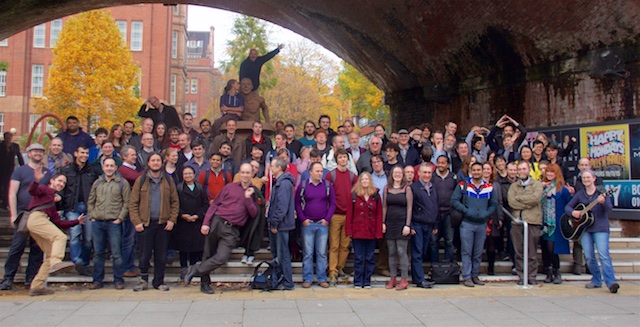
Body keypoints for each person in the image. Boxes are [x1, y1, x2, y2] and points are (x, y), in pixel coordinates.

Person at [184, 163, 259, 294]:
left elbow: (254, 213)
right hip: (217, 222)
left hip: (232, 230)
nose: (245, 175)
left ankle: (195, 269)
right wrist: (206, 223)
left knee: (221, 257)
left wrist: (247, 198)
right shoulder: (229, 187)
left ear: (252, 174)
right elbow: (214, 205)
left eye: (248, 173)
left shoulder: (253, 192)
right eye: (243, 172)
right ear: (239, 174)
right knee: (207, 255)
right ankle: (205, 284)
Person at [26, 169, 86, 296]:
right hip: (36, 218)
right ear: (52, 181)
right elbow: (32, 190)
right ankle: (56, 263)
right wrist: (36, 180)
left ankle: (37, 286)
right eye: (59, 181)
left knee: (49, 254)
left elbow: (59, 222)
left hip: (39, 221)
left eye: (63, 183)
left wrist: (76, 221)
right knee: (60, 237)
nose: (61, 184)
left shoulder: (52, 203)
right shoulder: (44, 189)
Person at [0, 144, 50, 291]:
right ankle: (8, 278)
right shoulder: (20, 171)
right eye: (35, 151)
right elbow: (12, 193)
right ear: (29, 153)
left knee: (37, 249)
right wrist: (13, 214)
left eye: (40, 151)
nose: (38, 154)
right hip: (23, 214)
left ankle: (31, 279)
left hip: (40, 214)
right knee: (17, 247)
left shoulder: (47, 172)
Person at [129, 153, 179, 292]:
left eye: (158, 160)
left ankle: (159, 281)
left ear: (162, 162)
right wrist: (137, 221)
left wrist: (172, 219)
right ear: (148, 163)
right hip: (145, 224)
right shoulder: (142, 180)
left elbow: (175, 202)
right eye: (153, 160)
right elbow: (133, 203)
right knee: (144, 255)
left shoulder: (168, 180)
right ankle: (143, 280)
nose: (156, 163)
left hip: (163, 224)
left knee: (161, 255)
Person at [564, 170, 618, 293]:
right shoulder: (580, 194)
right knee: (589, 257)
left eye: (588, 177)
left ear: (594, 178)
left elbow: (609, 208)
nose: (586, 180)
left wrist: (603, 202)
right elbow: (568, 207)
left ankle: (611, 282)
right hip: (585, 229)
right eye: (584, 178)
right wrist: (573, 213)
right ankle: (596, 280)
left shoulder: (602, 193)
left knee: (604, 255)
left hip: (600, 228)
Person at [87, 157, 130, 290]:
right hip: (98, 222)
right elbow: (91, 201)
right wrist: (92, 216)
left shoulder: (122, 183)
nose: (109, 168)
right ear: (103, 167)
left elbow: (126, 202)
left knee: (116, 253)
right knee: (98, 253)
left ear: (116, 168)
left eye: (112, 166)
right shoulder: (97, 183)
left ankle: (118, 280)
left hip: (114, 222)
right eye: (107, 166)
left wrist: (120, 218)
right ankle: (98, 280)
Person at [451, 162, 497, 287]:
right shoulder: (463, 185)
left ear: (482, 171)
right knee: (466, 251)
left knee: (477, 252)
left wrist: (487, 213)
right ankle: (466, 277)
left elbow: (494, 204)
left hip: (482, 224)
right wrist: (466, 210)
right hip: (467, 223)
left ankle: (475, 275)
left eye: (479, 170)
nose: (477, 172)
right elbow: (454, 200)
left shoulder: (489, 187)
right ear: (471, 171)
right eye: (474, 170)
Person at [59, 145, 99, 276]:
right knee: (75, 235)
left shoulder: (92, 170)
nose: (84, 155)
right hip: (72, 207)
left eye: (86, 153)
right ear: (76, 153)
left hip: (88, 207)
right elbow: (62, 190)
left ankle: (85, 264)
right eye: (82, 152)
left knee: (88, 238)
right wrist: (60, 208)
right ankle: (77, 260)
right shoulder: (66, 170)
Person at [295, 162, 336, 288]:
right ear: (310, 172)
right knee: (307, 253)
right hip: (308, 224)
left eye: (321, 171)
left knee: (322, 253)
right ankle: (307, 278)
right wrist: (303, 219)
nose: (320, 173)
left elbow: (333, 204)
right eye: (317, 171)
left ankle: (321, 278)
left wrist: (327, 219)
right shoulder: (303, 186)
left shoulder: (328, 186)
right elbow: (297, 204)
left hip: (322, 224)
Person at [566, 157, 603, 275]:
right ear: (578, 166)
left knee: (590, 241)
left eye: (586, 165)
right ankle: (577, 265)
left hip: (593, 215)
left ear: (590, 166)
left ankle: (589, 265)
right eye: (581, 165)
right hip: (579, 213)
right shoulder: (574, 179)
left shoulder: (598, 181)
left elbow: (602, 196)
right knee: (578, 239)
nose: (584, 167)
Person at [508, 161, 543, 285]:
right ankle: (522, 276)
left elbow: (535, 198)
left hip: (532, 221)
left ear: (528, 170)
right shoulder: (513, 186)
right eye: (519, 169)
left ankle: (532, 276)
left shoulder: (537, 185)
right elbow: (512, 202)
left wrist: (520, 200)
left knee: (531, 252)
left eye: (524, 169)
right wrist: (527, 202)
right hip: (517, 222)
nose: (522, 171)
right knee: (519, 252)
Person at [326, 149, 358, 285]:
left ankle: (340, 268)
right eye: (340, 157)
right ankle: (332, 271)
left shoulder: (353, 176)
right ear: (336, 159)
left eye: (345, 157)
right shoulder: (331, 175)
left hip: (349, 215)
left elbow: (356, 194)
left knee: (345, 245)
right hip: (335, 215)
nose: (343, 159)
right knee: (334, 245)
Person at [346, 172, 383, 288]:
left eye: (367, 179)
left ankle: (367, 280)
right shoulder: (354, 195)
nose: (365, 181)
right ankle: (357, 281)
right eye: (363, 179)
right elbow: (349, 215)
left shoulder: (376, 195)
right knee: (358, 257)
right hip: (358, 231)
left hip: (371, 231)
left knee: (370, 258)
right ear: (359, 181)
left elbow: (379, 214)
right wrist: (349, 231)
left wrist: (378, 231)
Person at [173, 166, 209, 281]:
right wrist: (182, 215)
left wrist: (198, 215)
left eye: (190, 173)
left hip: (197, 222)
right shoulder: (178, 188)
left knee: (195, 246)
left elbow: (205, 204)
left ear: (194, 175)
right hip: (183, 223)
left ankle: (193, 269)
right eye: (185, 174)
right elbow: (174, 204)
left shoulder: (200, 188)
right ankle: (184, 269)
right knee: (183, 248)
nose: (188, 176)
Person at [265, 158, 296, 290]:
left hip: (281, 225)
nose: (270, 168)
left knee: (282, 254)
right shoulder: (281, 182)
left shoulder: (283, 184)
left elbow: (281, 207)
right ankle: (280, 279)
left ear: (279, 168)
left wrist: (274, 223)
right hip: (280, 224)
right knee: (279, 254)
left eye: (272, 166)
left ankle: (288, 282)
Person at [382, 166, 412, 290]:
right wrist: (383, 222)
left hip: (402, 223)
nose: (398, 175)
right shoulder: (386, 188)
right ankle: (393, 278)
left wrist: (407, 225)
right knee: (392, 252)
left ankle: (404, 279)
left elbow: (410, 207)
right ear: (392, 175)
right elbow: (384, 206)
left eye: (400, 173)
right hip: (390, 223)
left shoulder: (407, 189)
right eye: (395, 173)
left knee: (401, 251)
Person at [540, 163, 571, 284]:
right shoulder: (542, 186)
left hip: (556, 223)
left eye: (552, 172)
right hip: (543, 222)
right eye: (547, 172)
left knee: (552, 249)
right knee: (545, 249)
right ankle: (548, 272)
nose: (549, 174)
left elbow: (569, 205)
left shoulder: (562, 189)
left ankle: (556, 271)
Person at [410, 163, 439, 289]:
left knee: (422, 252)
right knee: (417, 252)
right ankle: (419, 279)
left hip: (429, 224)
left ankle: (418, 276)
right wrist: (410, 225)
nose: (427, 175)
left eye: (429, 172)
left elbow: (436, 207)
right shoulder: (414, 188)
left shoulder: (433, 187)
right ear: (419, 173)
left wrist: (435, 224)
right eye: (425, 172)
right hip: (417, 224)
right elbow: (410, 208)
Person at [117, 146, 143, 278]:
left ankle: (130, 266)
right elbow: (138, 177)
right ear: (124, 156)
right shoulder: (123, 170)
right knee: (129, 238)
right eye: (132, 155)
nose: (135, 157)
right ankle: (126, 267)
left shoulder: (133, 168)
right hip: (128, 208)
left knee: (132, 239)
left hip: (136, 206)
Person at [430, 155, 457, 263]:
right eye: (439, 162)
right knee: (433, 241)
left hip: (449, 214)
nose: (440, 165)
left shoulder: (453, 177)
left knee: (449, 241)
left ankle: (448, 266)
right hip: (434, 214)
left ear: (448, 165)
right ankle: (435, 267)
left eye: (443, 163)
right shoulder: (432, 177)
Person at [481, 162, 503, 276]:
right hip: (479, 216)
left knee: (491, 242)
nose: (486, 171)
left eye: (488, 169)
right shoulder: (475, 183)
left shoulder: (496, 185)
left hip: (492, 216)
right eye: (484, 169)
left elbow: (499, 202)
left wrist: (500, 217)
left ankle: (491, 268)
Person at [0, 132, 24, 209]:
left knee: (7, 186)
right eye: (7, 137)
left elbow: (20, 157)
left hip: (10, 169)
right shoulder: (0, 145)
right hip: (1, 168)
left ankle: (5, 203)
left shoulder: (15, 146)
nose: (8, 139)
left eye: (10, 137)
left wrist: (23, 167)